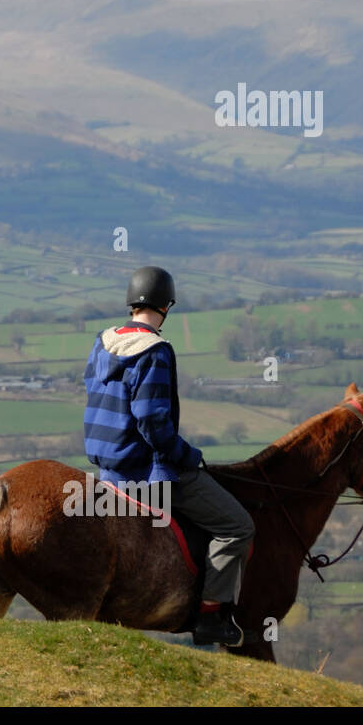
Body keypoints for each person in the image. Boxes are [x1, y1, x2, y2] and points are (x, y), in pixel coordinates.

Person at [83, 265, 255, 647]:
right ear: (167, 306)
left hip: (106, 473)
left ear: (131, 302)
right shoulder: (155, 350)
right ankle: (211, 615)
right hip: (145, 476)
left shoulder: (102, 343)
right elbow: (153, 424)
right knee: (236, 526)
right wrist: (187, 455)